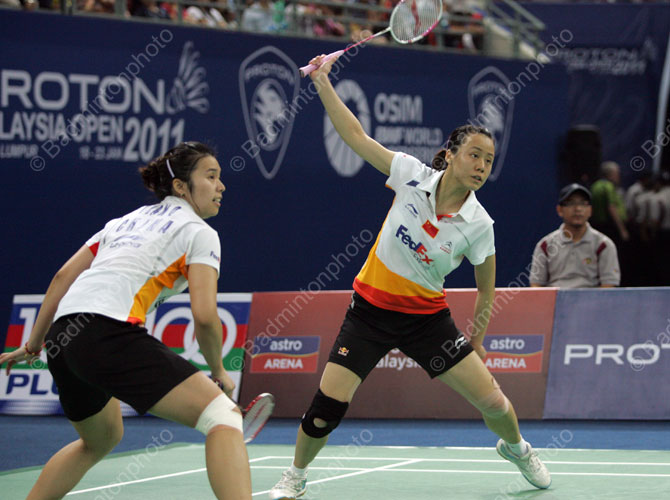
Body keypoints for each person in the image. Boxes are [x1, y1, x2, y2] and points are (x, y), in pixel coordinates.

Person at [268, 54, 551, 500]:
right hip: (368, 314)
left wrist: (477, 339)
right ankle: (295, 476)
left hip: (427, 323)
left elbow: (486, 289)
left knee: (494, 402)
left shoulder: (480, 224)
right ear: (451, 154)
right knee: (326, 408)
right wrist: (322, 82)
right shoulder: (410, 176)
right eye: (474, 155)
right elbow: (356, 136)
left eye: (488, 160)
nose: (481, 166)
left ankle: (518, 449)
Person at [0, 142, 252, 500]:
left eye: (220, 177)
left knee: (101, 438)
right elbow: (205, 316)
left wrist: (34, 345)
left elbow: (61, 278)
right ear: (181, 186)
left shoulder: (122, 223)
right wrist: (219, 370)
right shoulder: (199, 233)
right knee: (223, 416)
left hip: (62, 339)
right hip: (109, 332)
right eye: (211, 176)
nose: (221, 186)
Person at [529, 183, 620, 288]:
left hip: (591, 298)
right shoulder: (545, 245)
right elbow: (536, 285)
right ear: (560, 210)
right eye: (571, 203)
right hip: (556, 297)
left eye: (583, 203)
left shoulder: (604, 245)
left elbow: (608, 286)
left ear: (590, 210)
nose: (578, 209)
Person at [591, 161, 629, 244]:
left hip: (597, 225)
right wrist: (622, 230)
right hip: (610, 227)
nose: (619, 176)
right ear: (610, 174)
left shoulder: (595, 185)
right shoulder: (608, 186)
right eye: (617, 173)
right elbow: (611, 207)